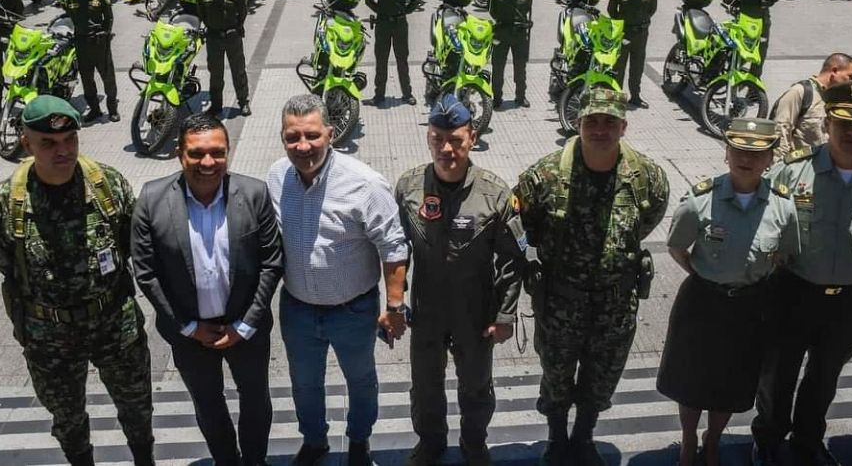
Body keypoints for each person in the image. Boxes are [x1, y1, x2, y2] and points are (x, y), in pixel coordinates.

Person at [0, 95, 155, 466]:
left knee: (137, 406)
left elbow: (133, 247)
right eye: (48, 143)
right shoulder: (2, 205)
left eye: (69, 140)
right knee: (68, 419)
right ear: (26, 142)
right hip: (50, 335)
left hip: (114, 323)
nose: (62, 150)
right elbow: (8, 269)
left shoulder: (108, 184)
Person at [751, 80, 852, 466]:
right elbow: (768, 221)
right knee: (778, 376)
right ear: (827, 124)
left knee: (823, 380)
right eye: (843, 123)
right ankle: (769, 439)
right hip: (793, 291)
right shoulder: (793, 172)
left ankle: (808, 443)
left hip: (849, 298)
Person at [515, 88, 669, 465]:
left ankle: (583, 436)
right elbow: (523, 224)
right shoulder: (545, 175)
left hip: (615, 302)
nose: (600, 129)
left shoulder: (646, 176)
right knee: (556, 375)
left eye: (609, 122)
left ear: (623, 126)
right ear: (578, 124)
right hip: (561, 300)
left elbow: (648, 218)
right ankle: (556, 438)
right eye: (592, 121)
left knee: (602, 376)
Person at [131, 113, 283, 466]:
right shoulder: (152, 199)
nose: (208, 162)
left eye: (217, 152)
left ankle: (255, 461)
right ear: (179, 154)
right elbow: (146, 272)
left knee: (256, 400)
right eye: (197, 154)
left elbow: (272, 262)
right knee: (208, 404)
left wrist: (245, 325)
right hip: (189, 331)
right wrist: (187, 326)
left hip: (245, 327)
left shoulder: (254, 193)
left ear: (228, 153)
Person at [266, 94, 410, 466]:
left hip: (353, 310)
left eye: (312, 135)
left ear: (331, 133)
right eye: (292, 137)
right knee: (304, 383)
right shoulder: (276, 177)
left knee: (360, 379)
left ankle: (359, 439)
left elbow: (393, 247)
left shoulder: (364, 184)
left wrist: (395, 307)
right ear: (282, 138)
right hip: (297, 308)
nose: (303, 146)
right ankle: (315, 441)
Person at [657, 118, 800, 466]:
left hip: (750, 306)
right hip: (703, 302)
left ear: (770, 158)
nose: (745, 158)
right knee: (691, 378)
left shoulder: (782, 205)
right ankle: (689, 439)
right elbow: (677, 247)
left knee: (733, 381)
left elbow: (786, 253)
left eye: (756, 152)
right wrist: (705, 274)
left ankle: (714, 438)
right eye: (738, 149)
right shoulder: (700, 200)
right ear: (726, 152)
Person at [396, 94, 525, 465]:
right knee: (425, 385)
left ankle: (474, 443)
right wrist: (395, 300)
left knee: (476, 385)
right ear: (428, 137)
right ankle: (431, 442)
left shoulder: (495, 193)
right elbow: (395, 249)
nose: (446, 148)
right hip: (427, 308)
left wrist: (505, 315)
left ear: (472, 137)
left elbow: (513, 259)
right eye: (438, 138)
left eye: (456, 139)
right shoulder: (409, 188)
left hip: (475, 309)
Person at [59, 0, 119, 123]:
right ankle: (94, 109)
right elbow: (69, 17)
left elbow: (109, 17)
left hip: (99, 43)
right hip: (81, 43)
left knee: (108, 77)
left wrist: (105, 34)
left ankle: (112, 109)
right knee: (87, 79)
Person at [771, 53, 852, 160]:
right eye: (850, 76)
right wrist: (779, 168)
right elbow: (781, 131)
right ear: (835, 71)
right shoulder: (800, 92)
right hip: (800, 169)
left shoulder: (838, 100)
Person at [197, 0, 251, 118]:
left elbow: (243, 11)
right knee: (215, 73)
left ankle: (243, 102)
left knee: (238, 71)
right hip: (213, 37)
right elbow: (201, 13)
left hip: (232, 36)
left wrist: (237, 26)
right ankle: (216, 105)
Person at [365, 0, 419, 106]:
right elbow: (368, 0)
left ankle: (407, 94)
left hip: (400, 24)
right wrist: (380, 12)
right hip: (382, 24)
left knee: (402, 59)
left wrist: (405, 11)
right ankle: (379, 96)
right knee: (381, 60)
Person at [608, 0, 657, 107]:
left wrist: (642, 21)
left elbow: (652, 9)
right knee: (619, 66)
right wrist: (621, 25)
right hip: (624, 33)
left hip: (641, 34)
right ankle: (616, 96)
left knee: (637, 66)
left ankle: (635, 96)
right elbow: (611, 9)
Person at [488, 0, 533, 109]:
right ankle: (497, 98)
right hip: (501, 32)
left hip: (519, 34)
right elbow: (492, 10)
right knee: (498, 67)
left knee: (520, 68)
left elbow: (528, 8)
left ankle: (520, 97)